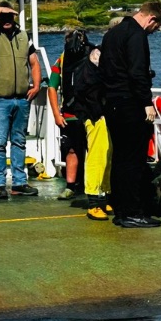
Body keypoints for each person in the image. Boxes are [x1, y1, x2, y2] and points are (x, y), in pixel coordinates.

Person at [99, 1, 161, 228]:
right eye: (155, 28)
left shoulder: (112, 34)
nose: (153, 32)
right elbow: (137, 72)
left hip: (112, 103)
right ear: (152, 19)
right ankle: (134, 212)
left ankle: (121, 210)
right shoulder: (137, 36)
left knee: (120, 159)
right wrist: (146, 103)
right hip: (130, 105)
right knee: (135, 160)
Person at [0, 1, 42, 200]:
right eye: (2, 17)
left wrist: (37, 85)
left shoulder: (24, 37)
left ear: (14, 17)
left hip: (21, 99)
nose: (6, 20)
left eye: (8, 16)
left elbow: (34, 62)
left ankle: (19, 183)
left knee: (19, 142)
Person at [47, 29, 91, 200]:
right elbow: (52, 86)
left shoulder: (93, 55)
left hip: (90, 113)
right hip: (69, 113)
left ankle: (93, 185)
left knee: (93, 150)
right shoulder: (62, 60)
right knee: (71, 149)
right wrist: (57, 114)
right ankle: (70, 186)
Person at [73, 42, 112, 220]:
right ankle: (94, 202)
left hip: (99, 115)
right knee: (97, 156)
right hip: (94, 116)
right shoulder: (91, 66)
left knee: (107, 154)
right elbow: (89, 91)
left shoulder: (87, 64)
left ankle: (104, 196)